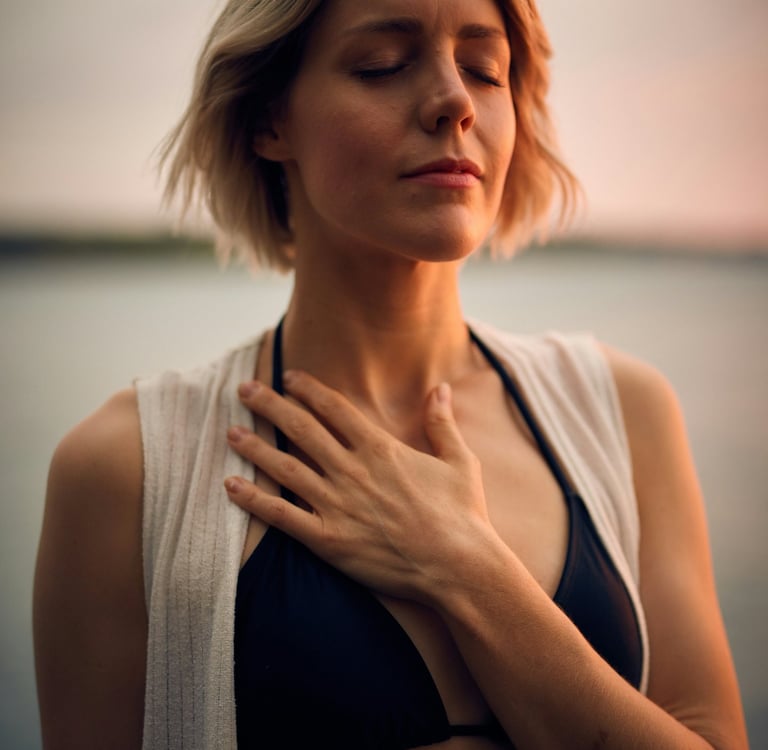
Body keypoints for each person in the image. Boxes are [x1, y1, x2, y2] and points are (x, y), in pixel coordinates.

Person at [33, 0, 748, 748]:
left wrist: (466, 569)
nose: (454, 102)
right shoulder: (127, 469)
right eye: (383, 65)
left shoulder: (622, 412)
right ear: (268, 121)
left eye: (484, 69)